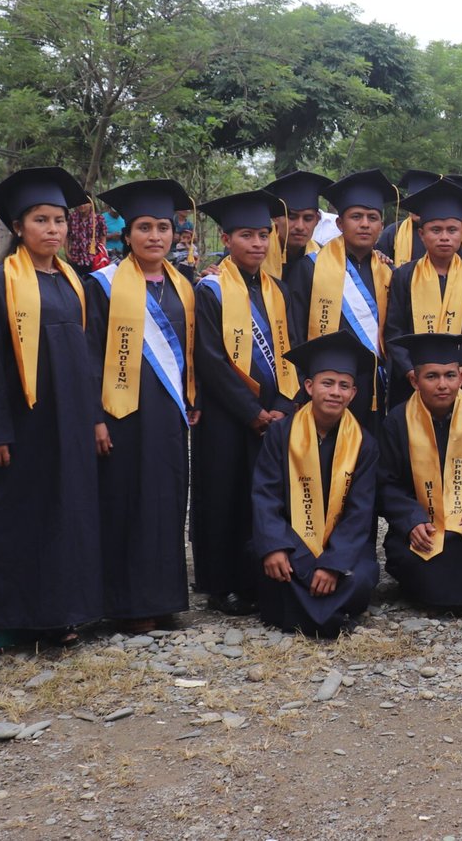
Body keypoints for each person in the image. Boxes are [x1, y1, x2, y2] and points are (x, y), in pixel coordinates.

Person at [0, 168, 98, 661]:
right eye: (41, 220)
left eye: (59, 220)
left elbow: (86, 359)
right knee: (6, 520)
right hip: (18, 425)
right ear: (19, 227)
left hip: (66, 424)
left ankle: (52, 615)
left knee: (61, 514)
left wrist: (94, 418)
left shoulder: (72, 282)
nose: (53, 229)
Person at [87, 179, 200, 634]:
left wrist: (193, 396)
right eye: (144, 228)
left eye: (163, 228)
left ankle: (164, 598)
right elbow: (91, 352)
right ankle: (128, 604)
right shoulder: (102, 285)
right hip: (123, 412)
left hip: (169, 413)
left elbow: (191, 348)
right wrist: (95, 417)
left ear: (175, 234)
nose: (155, 236)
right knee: (126, 499)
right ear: (126, 235)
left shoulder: (184, 285)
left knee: (167, 499)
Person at [192, 189, 300, 616]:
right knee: (224, 492)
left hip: (273, 413)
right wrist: (251, 411)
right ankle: (221, 583)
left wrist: (284, 406)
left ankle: (259, 574)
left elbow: (291, 347)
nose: (257, 243)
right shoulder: (210, 290)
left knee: (263, 492)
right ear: (226, 237)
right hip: (227, 414)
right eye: (246, 235)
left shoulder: (277, 289)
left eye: (263, 235)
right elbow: (210, 358)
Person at [250, 330, 380, 638]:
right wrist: (274, 547)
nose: (335, 392)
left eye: (344, 385)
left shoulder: (364, 443)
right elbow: (265, 495)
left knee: (362, 576)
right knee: (271, 568)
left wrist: (333, 564)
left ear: (353, 394)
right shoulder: (281, 434)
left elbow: (361, 512)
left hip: (341, 546)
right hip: (292, 543)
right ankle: (331, 616)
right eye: (327, 383)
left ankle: (301, 614)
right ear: (309, 387)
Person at [379, 333, 462, 611]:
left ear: (461, 378)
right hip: (425, 529)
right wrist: (411, 519)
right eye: (432, 376)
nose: (443, 385)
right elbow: (386, 483)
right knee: (426, 575)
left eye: (450, 375)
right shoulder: (397, 421)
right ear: (415, 381)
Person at [382, 177, 462, 408]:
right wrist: (409, 371)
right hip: (412, 385)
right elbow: (394, 330)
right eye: (436, 230)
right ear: (421, 234)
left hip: (461, 382)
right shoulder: (404, 277)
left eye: (452, 230)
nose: (444, 237)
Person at [291, 170, 397, 426]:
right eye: (356, 217)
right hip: (325, 388)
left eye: (373, 218)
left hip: (375, 385)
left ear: (381, 227)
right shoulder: (309, 268)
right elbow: (294, 332)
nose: (365, 224)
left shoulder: (390, 273)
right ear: (339, 224)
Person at [263, 171, 332, 284]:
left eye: (308, 218)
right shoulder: (255, 254)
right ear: (275, 217)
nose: (300, 226)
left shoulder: (324, 257)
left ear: (317, 220)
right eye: (292, 217)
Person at [378, 169, 442, 267]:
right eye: (413, 200)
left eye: (423, 200)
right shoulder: (392, 232)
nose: (417, 206)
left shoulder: (444, 234)